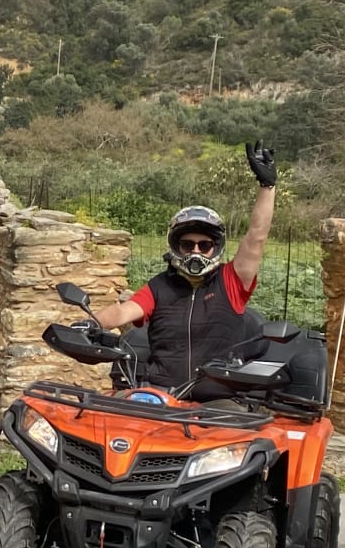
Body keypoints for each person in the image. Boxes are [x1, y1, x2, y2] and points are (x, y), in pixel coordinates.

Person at [90, 141, 277, 391]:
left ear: (216, 247)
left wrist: (267, 186)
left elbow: (257, 236)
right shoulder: (159, 287)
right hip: (162, 394)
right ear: (176, 246)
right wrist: (90, 323)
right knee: (111, 411)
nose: (196, 251)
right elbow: (123, 313)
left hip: (218, 398)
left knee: (236, 417)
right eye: (188, 245)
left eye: (204, 245)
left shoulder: (231, 281)